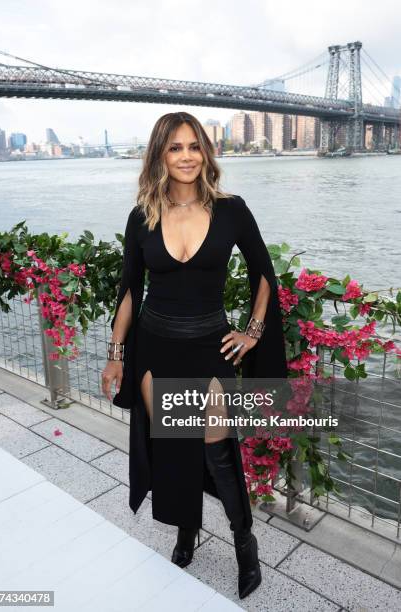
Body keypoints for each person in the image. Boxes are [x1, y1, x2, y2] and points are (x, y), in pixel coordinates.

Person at [101, 111, 288, 600]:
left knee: (216, 450)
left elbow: (263, 272)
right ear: (160, 155)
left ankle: (244, 543)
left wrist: (252, 331)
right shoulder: (142, 215)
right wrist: (117, 354)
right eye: (175, 148)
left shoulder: (232, 210)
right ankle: (186, 528)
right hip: (155, 346)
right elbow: (128, 291)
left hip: (210, 346)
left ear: (205, 152)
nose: (186, 156)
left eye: (194, 146)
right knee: (171, 447)